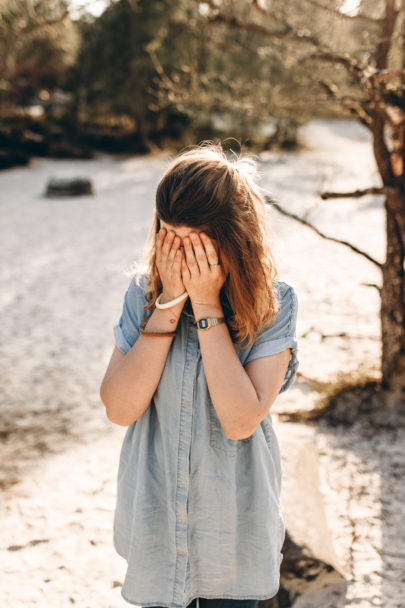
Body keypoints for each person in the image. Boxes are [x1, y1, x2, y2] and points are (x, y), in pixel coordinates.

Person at [100, 141, 299, 608]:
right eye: (169, 237)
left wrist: (207, 306)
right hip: (155, 524)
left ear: (232, 237)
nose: (178, 254)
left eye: (193, 243)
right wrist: (168, 303)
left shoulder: (276, 303)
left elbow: (240, 419)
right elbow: (119, 407)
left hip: (232, 529)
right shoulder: (144, 294)